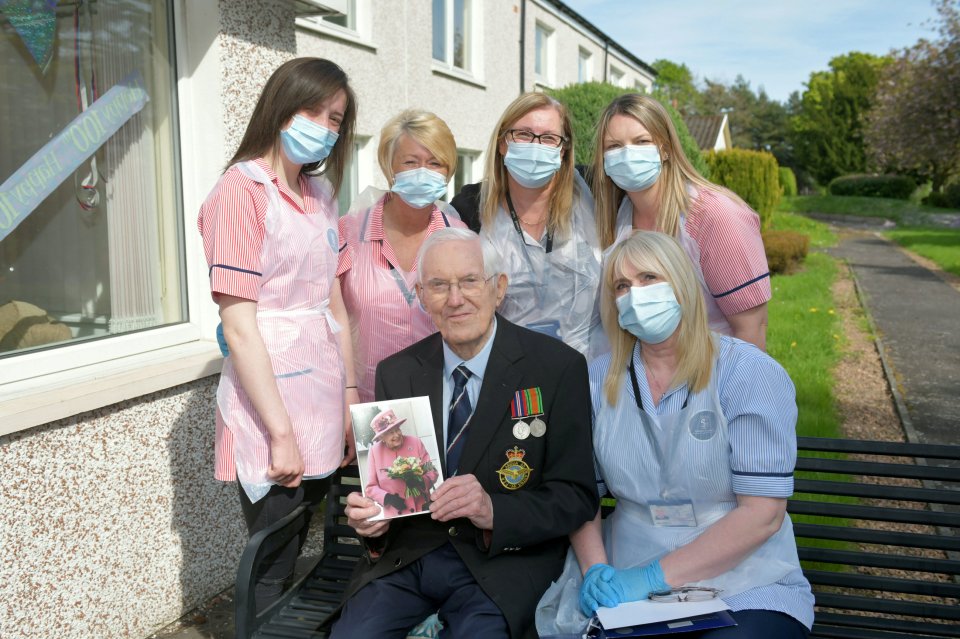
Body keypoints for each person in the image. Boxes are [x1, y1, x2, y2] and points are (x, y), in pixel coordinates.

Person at [536, 231, 813, 638]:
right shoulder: (597, 381)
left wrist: (651, 577)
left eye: (649, 278)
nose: (635, 294)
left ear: (682, 285)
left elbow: (763, 515)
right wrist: (595, 568)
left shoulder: (747, 373)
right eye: (622, 286)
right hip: (625, 576)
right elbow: (581, 494)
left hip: (745, 578)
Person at [328, 227, 599, 639]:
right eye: (439, 285)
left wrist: (494, 510)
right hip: (411, 558)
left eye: (470, 281)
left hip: (503, 561)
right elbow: (393, 485)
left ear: (498, 288)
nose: (455, 299)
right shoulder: (397, 373)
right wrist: (374, 521)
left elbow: (576, 496)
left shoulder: (557, 368)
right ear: (421, 295)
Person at [197, 57, 358, 611]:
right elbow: (239, 327)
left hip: (323, 393)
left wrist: (350, 398)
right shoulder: (241, 193)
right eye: (314, 109)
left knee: (303, 547)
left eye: (336, 118)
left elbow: (334, 303)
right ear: (279, 105)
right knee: (271, 559)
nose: (325, 126)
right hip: (273, 404)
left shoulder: (321, 193)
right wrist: (280, 432)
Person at [592, 94, 771, 349]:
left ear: (665, 148)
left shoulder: (715, 216)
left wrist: (735, 388)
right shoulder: (618, 215)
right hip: (647, 380)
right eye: (613, 146)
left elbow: (752, 328)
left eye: (641, 141)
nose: (627, 154)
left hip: (713, 377)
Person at [450, 92, 602, 357]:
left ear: (563, 149)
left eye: (548, 138)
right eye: (523, 134)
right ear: (502, 144)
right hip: (508, 371)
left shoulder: (596, 192)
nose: (535, 146)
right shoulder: (469, 208)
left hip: (591, 376)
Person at [338, 109, 466, 402]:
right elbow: (330, 321)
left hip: (442, 403)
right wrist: (347, 394)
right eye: (411, 162)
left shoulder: (459, 237)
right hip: (366, 404)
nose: (424, 172)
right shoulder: (348, 233)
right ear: (389, 165)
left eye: (435, 163)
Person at [365, 407, 439, 517]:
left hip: (422, 508)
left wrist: (421, 481)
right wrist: (387, 498)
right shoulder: (374, 451)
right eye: (390, 432)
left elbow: (432, 471)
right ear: (382, 437)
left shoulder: (415, 442)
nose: (396, 435)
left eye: (397, 429)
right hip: (395, 514)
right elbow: (370, 488)